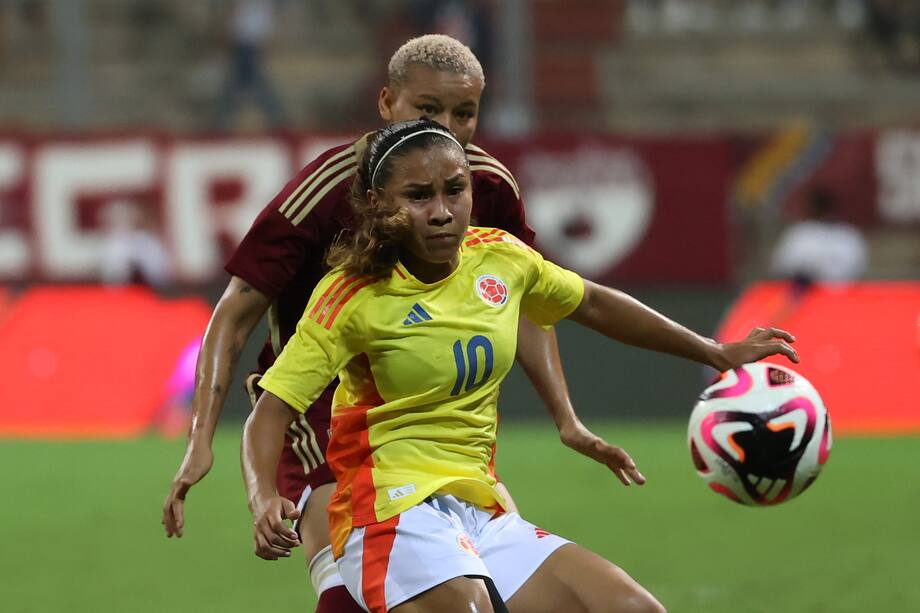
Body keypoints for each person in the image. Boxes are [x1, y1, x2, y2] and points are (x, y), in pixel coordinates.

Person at [242, 119, 799, 613]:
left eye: (454, 190)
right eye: (418, 195)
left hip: (476, 512)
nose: (441, 211)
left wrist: (713, 350)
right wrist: (264, 495)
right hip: (385, 511)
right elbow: (269, 414)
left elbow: (596, 303)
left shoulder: (500, 258)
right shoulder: (351, 296)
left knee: (632, 607)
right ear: (378, 204)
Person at [164, 35, 600, 613]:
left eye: (464, 113)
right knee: (355, 579)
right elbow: (235, 313)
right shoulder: (324, 190)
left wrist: (565, 418)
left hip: (430, 410)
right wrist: (201, 441)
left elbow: (519, 297)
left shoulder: (485, 186)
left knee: (494, 584)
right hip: (318, 406)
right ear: (387, 103)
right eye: (428, 110)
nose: (448, 126)